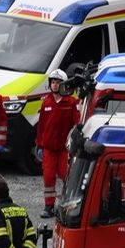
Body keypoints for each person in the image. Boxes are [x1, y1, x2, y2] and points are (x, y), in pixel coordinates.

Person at [36, 68, 80, 218]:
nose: (55, 85)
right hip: (49, 148)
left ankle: (68, 203)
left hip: (64, 149)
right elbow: (41, 126)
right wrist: (39, 144)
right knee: (48, 176)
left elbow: (77, 124)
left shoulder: (71, 102)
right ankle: (49, 206)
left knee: (66, 175)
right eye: (53, 82)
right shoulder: (46, 102)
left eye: (58, 82)